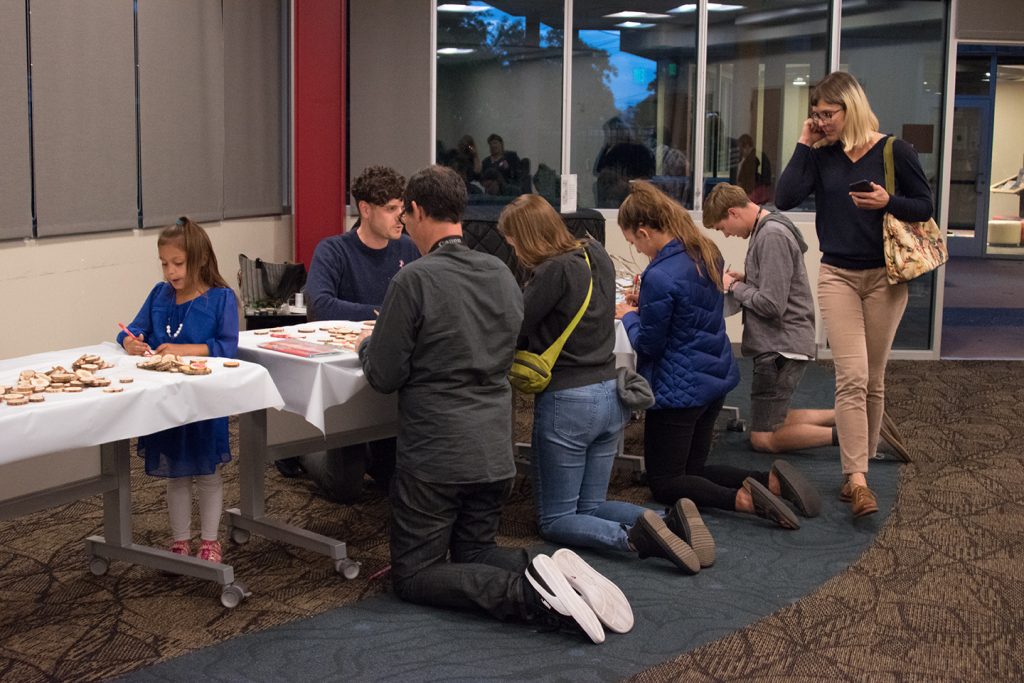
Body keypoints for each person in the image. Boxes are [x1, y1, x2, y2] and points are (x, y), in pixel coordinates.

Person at [356, 165, 633, 644]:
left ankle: (531, 597)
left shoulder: (414, 281)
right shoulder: (503, 275)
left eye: (407, 215)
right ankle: (556, 573)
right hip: (494, 451)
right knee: (477, 550)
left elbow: (384, 375)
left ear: (418, 211)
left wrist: (367, 344)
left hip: (437, 453)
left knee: (416, 575)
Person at [499, 194, 709, 574]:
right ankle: (666, 518)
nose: (513, 250)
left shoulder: (551, 271)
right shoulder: (595, 255)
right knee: (591, 504)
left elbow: (515, 326)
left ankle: (635, 538)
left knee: (555, 520)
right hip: (611, 393)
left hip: (568, 400)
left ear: (526, 237)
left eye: (513, 242)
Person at [614, 181, 820, 530]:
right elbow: (688, 310)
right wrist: (645, 306)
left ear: (645, 231)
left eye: (634, 241)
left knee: (663, 482)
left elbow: (650, 344)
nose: (636, 248)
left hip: (678, 389)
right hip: (713, 378)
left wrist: (630, 316)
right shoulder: (704, 250)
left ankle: (743, 501)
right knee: (692, 472)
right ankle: (767, 480)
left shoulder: (659, 275)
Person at [774, 71, 933, 518]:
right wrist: (804, 142)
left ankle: (862, 468)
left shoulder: (893, 150)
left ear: (851, 108)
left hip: (885, 278)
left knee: (874, 379)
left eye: (828, 114)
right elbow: (785, 198)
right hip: (838, 275)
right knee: (852, 376)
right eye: (816, 115)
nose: (821, 121)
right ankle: (857, 481)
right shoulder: (821, 155)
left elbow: (925, 206)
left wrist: (888, 202)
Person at [291, 166, 421, 502]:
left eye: (402, 209)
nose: (401, 217)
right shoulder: (334, 250)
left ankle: (368, 451)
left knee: (393, 481)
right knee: (344, 489)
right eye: (392, 209)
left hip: (388, 373)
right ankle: (296, 453)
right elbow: (320, 305)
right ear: (365, 209)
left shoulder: (408, 249)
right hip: (343, 375)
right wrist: (383, 313)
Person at [117, 216, 239, 563]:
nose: (170, 272)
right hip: (166, 402)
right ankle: (181, 540)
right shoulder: (159, 295)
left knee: (207, 471)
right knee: (176, 472)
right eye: (164, 264)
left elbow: (228, 346)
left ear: (199, 259)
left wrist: (184, 349)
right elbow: (130, 331)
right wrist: (130, 342)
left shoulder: (221, 299)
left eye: (177, 263)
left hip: (203, 401)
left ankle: (211, 540)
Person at [703, 182, 835, 456]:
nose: (726, 235)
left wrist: (734, 287)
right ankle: (851, 419)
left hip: (779, 347)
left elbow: (773, 305)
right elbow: (777, 286)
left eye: (721, 227)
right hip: (784, 343)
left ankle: (852, 435)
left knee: (764, 438)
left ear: (733, 213)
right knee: (778, 418)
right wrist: (748, 279)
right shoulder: (771, 225)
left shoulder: (771, 236)